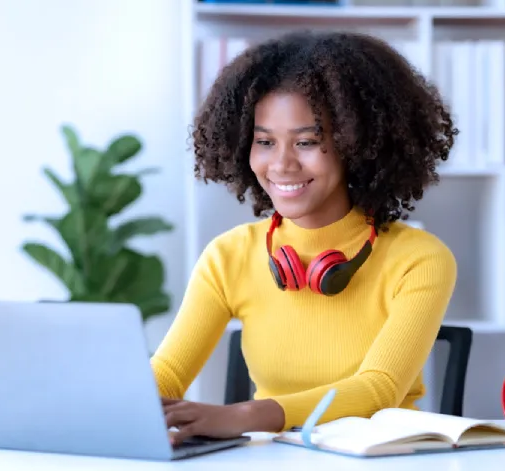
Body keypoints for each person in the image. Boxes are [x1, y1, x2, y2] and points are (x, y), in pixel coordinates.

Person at [151, 30, 458, 445]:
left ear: (358, 144)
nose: (282, 164)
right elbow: (168, 373)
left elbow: (379, 389)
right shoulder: (228, 256)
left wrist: (243, 416)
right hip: (275, 459)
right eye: (264, 141)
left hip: (383, 458)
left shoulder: (419, 258)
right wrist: (115, 406)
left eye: (307, 142)